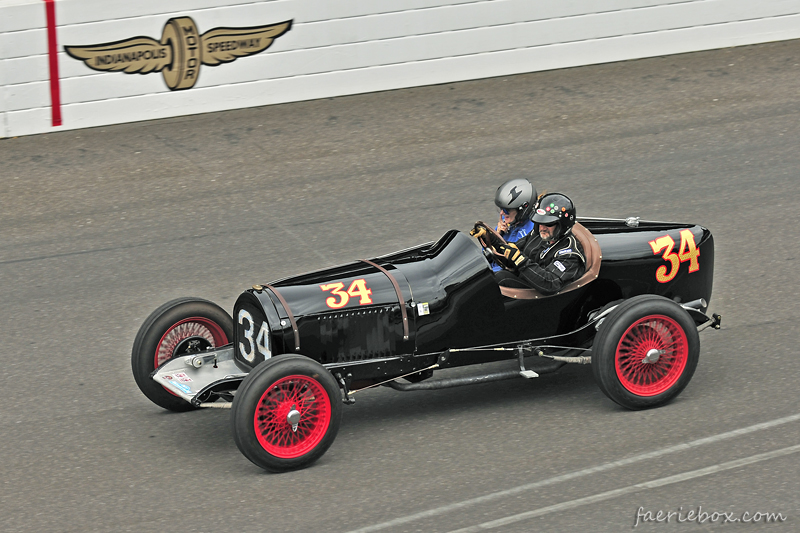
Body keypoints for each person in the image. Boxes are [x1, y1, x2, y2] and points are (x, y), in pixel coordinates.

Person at [492, 193, 586, 295]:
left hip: (541, 297)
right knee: (489, 277)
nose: (542, 228)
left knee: (501, 279)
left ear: (562, 226)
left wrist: (520, 260)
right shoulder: (538, 234)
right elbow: (513, 250)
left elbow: (550, 284)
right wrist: (493, 240)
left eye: (548, 224)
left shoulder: (569, 254)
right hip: (525, 281)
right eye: (539, 222)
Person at [489, 178, 536, 272]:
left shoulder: (533, 230)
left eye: (506, 210)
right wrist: (494, 236)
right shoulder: (506, 223)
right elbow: (487, 255)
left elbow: (512, 264)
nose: (502, 213)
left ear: (522, 210)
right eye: (501, 209)